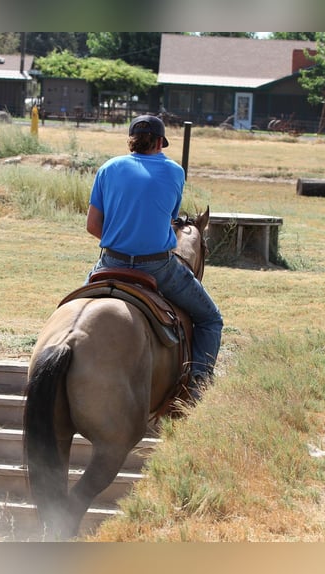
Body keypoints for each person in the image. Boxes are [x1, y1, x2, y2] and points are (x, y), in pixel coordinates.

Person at [85, 114, 223, 401]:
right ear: (160, 142)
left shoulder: (108, 168)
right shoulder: (174, 172)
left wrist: (120, 242)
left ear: (131, 140)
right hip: (158, 267)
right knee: (211, 319)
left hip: (110, 263)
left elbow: (92, 225)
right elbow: (168, 220)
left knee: (74, 307)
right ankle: (198, 382)